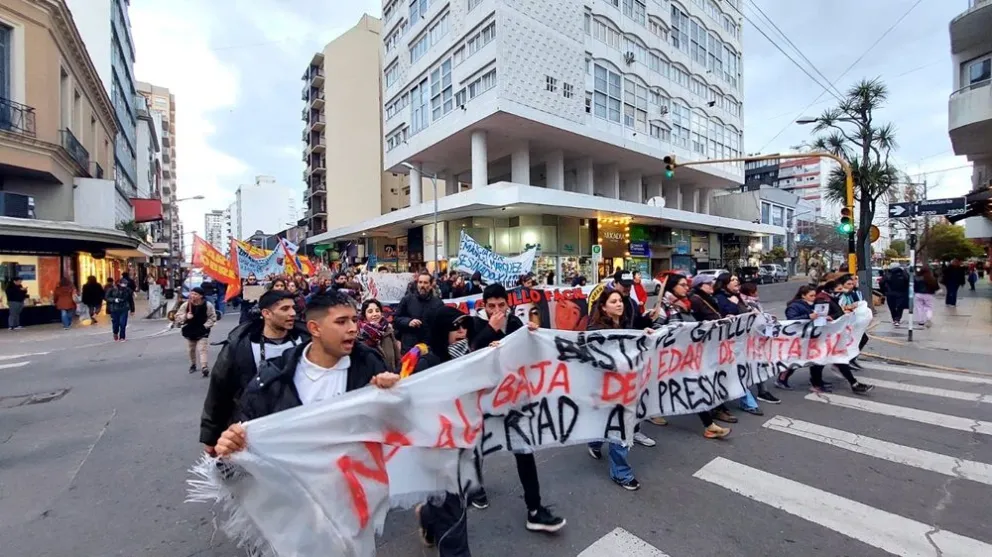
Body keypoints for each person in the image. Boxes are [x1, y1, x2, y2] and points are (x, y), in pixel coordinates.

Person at [212, 291, 400, 455]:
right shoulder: (274, 377)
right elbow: (246, 447)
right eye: (341, 322)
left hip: (358, 481)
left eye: (354, 320)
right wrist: (231, 446)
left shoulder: (370, 365)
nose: (353, 329)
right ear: (315, 328)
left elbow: (398, 429)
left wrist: (395, 394)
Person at [466, 283, 566, 532]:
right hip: (483, 401)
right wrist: (491, 330)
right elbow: (470, 355)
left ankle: (535, 509)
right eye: (491, 306)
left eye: (501, 305)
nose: (497, 310)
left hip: (512, 399)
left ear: (508, 304)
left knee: (524, 450)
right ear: (484, 306)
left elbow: (528, 354)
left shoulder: (514, 323)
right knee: (477, 447)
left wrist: (532, 335)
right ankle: (475, 488)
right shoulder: (474, 324)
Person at [200, 290, 310, 453]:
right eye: (285, 309)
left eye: (293, 308)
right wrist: (210, 436)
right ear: (266, 313)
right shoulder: (241, 346)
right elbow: (219, 390)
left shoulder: (307, 341)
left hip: (300, 427)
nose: (292, 313)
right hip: (255, 429)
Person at [409, 305, 476, 555]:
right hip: (436, 448)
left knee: (445, 503)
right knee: (453, 514)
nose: (461, 333)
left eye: (464, 327)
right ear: (441, 330)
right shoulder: (427, 363)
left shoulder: (464, 357)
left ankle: (426, 515)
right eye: (454, 328)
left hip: (459, 442)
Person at [585, 290, 654, 491]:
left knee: (619, 426)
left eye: (620, 301)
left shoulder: (625, 324)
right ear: (603, 307)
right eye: (613, 301)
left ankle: (612, 462)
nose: (619, 304)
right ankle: (618, 470)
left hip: (625, 386)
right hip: (605, 387)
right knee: (613, 425)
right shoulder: (596, 330)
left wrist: (643, 335)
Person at [651, 273, 732, 439]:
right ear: (672, 287)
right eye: (682, 285)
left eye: (687, 285)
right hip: (672, 357)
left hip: (688, 356)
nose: (686, 288)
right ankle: (709, 425)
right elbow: (655, 331)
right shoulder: (664, 307)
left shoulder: (686, 304)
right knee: (691, 386)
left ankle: (709, 425)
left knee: (691, 386)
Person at [782, 281, 874, 395]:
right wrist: (809, 316)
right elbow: (791, 320)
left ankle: (851, 383)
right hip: (807, 338)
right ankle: (786, 379)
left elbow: (822, 316)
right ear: (803, 295)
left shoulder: (814, 303)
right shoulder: (797, 305)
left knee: (833, 359)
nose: (814, 298)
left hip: (819, 336)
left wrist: (826, 318)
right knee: (805, 361)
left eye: (814, 295)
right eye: (811, 295)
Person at [604, 269, 659, 446]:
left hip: (631, 359)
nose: (627, 289)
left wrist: (647, 320)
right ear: (615, 284)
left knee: (633, 398)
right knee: (612, 405)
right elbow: (595, 331)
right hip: (612, 363)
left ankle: (633, 431)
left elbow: (636, 326)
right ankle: (597, 440)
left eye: (630, 286)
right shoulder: (603, 302)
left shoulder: (632, 303)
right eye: (624, 285)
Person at [687, 274, 738, 425]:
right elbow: (699, 321)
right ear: (699, 285)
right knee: (708, 377)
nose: (711, 285)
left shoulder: (709, 298)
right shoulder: (696, 300)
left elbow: (714, 315)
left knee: (715, 376)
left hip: (713, 342)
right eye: (708, 283)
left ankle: (717, 406)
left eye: (712, 283)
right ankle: (714, 409)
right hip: (704, 344)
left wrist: (722, 318)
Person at [712, 273, 765, 415]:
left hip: (739, 341)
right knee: (733, 372)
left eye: (737, 279)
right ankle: (746, 402)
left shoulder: (737, 296)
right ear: (724, 283)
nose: (736, 281)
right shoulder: (720, 297)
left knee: (736, 371)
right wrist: (733, 304)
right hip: (726, 342)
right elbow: (725, 314)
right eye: (732, 280)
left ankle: (742, 400)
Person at [394, 271, 444, 353]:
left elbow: (441, 327)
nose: (422, 285)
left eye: (425, 283)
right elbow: (396, 319)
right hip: (409, 348)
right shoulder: (407, 299)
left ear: (431, 285)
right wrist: (408, 322)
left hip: (428, 348)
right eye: (420, 282)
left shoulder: (438, 303)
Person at [174, 287, 218, 375]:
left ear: (201, 296)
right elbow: (178, 316)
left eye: (195, 294)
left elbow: (212, 317)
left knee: (202, 349)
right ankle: (193, 364)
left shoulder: (207, 305)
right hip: (190, 329)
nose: (193, 296)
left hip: (202, 330)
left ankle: (204, 367)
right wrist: (186, 316)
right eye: (192, 293)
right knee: (191, 349)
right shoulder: (186, 305)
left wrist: (205, 326)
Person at [358, 299, 400, 370]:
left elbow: (397, 357)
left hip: (391, 374)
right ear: (364, 315)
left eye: (377, 311)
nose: (375, 314)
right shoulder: (360, 336)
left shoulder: (388, 330)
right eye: (370, 312)